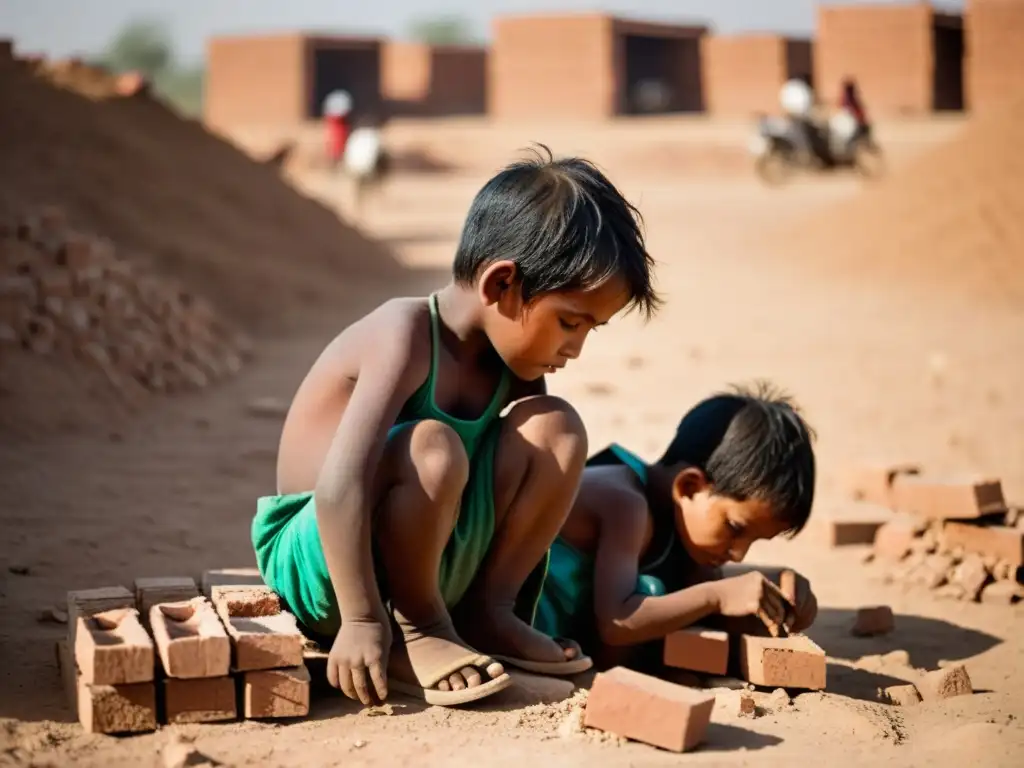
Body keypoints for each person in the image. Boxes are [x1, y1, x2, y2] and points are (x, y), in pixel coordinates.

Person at [251, 145, 660, 708]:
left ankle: (485, 613)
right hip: (325, 563)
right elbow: (340, 486)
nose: (577, 348)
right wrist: (364, 619)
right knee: (432, 446)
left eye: (592, 329)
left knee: (557, 430)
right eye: (570, 322)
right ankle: (414, 629)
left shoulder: (510, 366)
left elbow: (517, 486)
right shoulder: (404, 335)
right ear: (500, 286)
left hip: (423, 560)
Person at [528, 383, 818, 672]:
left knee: (685, 588)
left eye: (755, 541)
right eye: (734, 527)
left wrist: (781, 597)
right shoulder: (625, 504)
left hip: (570, 632)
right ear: (689, 487)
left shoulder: (673, 519)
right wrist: (717, 596)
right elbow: (617, 623)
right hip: (524, 624)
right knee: (657, 591)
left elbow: (707, 585)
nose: (739, 554)